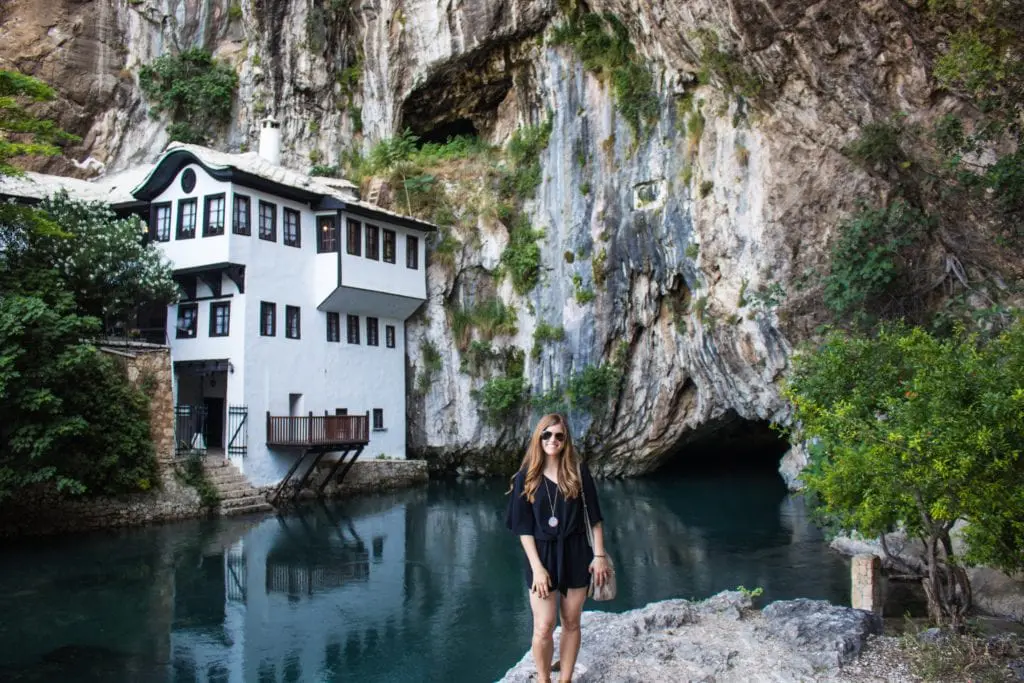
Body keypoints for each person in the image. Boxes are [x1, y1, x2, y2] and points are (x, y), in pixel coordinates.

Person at [505, 413, 612, 683]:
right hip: (541, 555)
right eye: (547, 434)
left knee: (572, 621)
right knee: (543, 627)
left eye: (559, 435)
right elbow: (523, 529)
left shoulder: (577, 471)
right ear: (538, 437)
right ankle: (544, 679)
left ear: (566, 440)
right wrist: (537, 568)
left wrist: (599, 556)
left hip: (577, 552)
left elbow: (594, 518)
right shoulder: (525, 477)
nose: (553, 440)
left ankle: (565, 679)